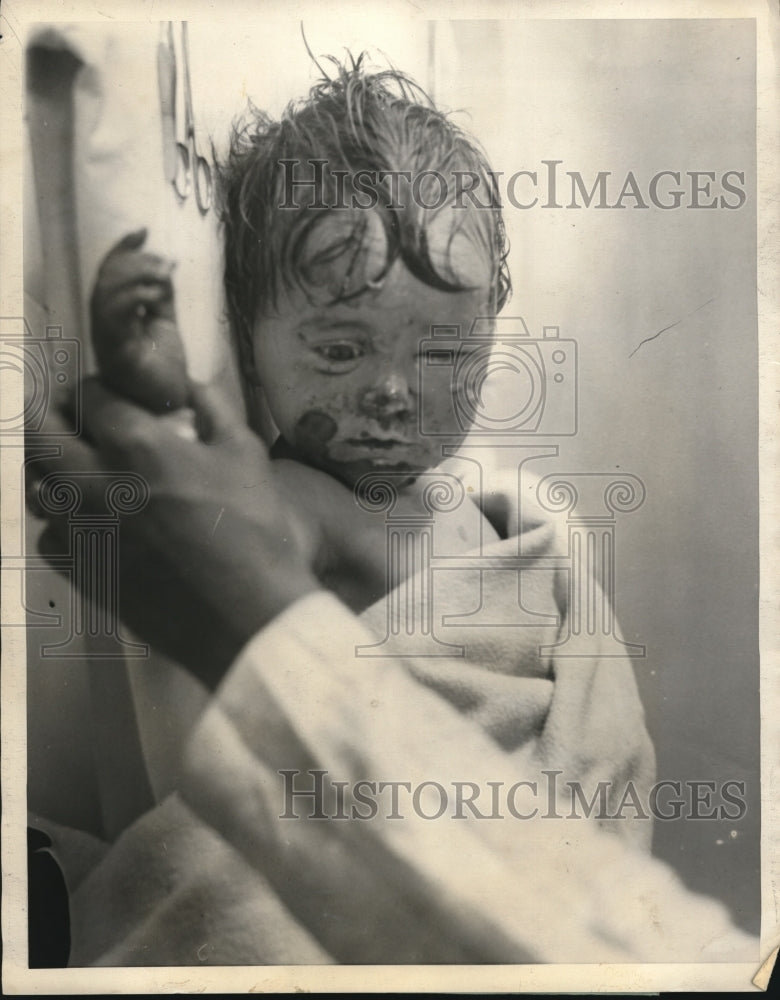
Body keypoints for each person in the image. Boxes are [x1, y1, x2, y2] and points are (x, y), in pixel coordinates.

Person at [26, 57, 756, 967]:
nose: (392, 394)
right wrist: (159, 388)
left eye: (446, 353)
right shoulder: (312, 499)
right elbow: (223, 531)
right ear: (248, 349)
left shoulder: (507, 522)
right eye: (339, 348)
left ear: (495, 325)